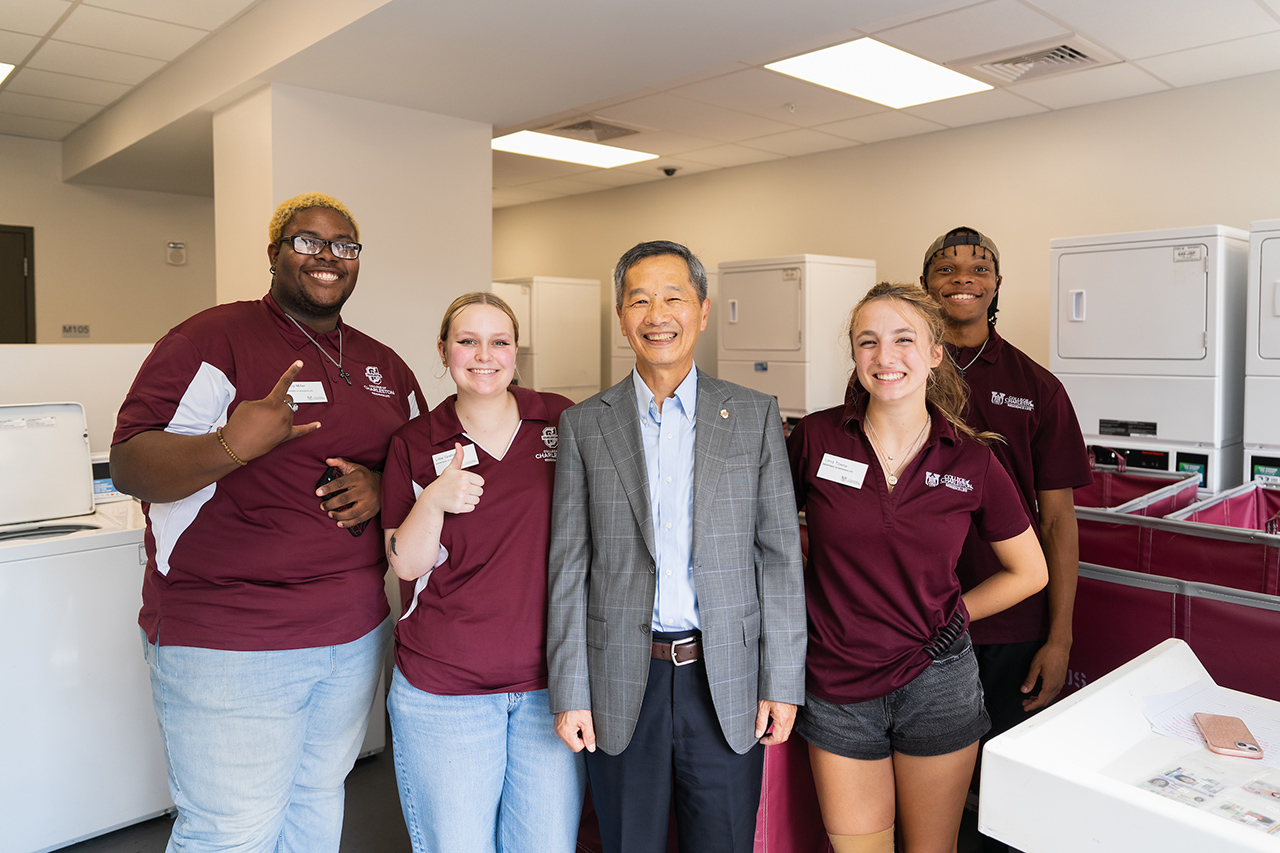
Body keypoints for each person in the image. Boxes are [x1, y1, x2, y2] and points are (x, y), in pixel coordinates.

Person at [111, 192, 422, 853]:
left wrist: (379, 484)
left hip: (351, 631)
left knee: (314, 808)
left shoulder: (385, 364)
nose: (327, 256)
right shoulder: (211, 339)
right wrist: (230, 444)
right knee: (231, 832)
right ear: (276, 253)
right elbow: (131, 462)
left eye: (344, 245)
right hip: (232, 637)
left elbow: (417, 469)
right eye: (308, 241)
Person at [546, 240, 806, 853]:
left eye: (673, 298)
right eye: (639, 300)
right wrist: (570, 691)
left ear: (703, 310)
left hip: (727, 679)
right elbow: (568, 566)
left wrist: (783, 679)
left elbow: (779, 558)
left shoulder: (752, 415)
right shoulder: (586, 424)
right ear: (621, 317)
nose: (656, 315)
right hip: (617, 679)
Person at [788, 283, 1048, 853]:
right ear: (855, 357)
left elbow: (1030, 571)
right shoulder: (816, 437)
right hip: (838, 680)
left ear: (934, 352)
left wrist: (957, 613)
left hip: (937, 680)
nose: (886, 357)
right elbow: (768, 540)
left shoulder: (972, 457)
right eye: (868, 342)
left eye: (904, 340)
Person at [380, 292, 586, 852]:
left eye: (499, 342)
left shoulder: (562, 420)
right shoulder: (416, 442)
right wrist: (434, 502)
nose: (483, 355)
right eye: (467, 341)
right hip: (446, 690)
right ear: (444, 350)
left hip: (550, 687)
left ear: (516, 352)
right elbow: (406, 561)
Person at [920, 227, 1092, 849]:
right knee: (927, 794)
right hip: (914, 619)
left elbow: (1058, 524)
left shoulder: (1037, 386)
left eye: (979, 267)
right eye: (947, 268)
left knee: (1001, 798)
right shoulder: (896, 373)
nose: (963, 277)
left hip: (1012, 630)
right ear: (926, 286)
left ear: (996, 286)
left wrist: (1060, 636)